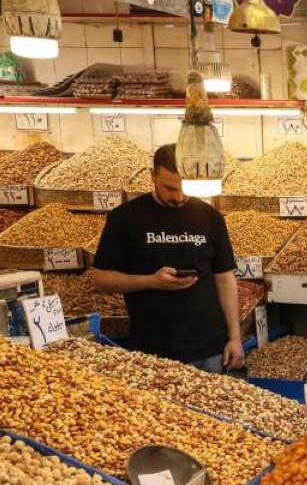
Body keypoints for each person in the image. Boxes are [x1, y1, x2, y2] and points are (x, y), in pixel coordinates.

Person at [91, 144, 243, 373]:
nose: (179, 196)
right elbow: (100, 279)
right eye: (170, 188)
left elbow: (224, 278)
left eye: (184, 187)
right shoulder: (125, 218)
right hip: (154, 351)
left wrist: (235, 337)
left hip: (211, 349)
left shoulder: (210, 217)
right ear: (152, 176)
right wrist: (152, 282)